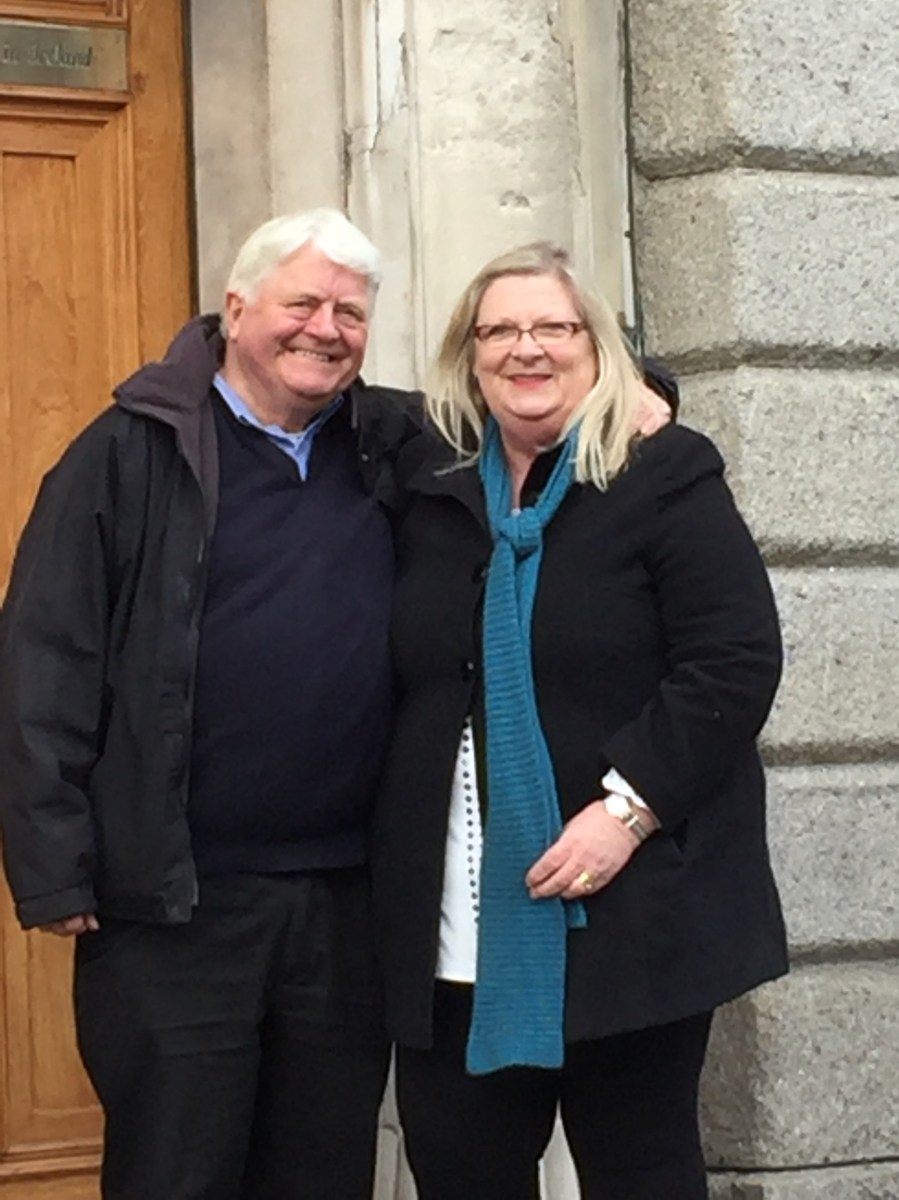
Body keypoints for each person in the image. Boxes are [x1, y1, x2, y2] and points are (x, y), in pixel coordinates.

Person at [0, 208, 421, 1200]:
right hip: (175, 907)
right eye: (303, 303)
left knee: (320, 1174)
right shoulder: (127, 454)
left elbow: (533, 406)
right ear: (236, 309)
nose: (325, 328)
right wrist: (55, 864)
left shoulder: (392, 444)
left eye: (350, 313)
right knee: (175, 1174)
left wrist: (648, 399)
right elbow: (45, 654)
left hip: (345, 903)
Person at [371, 241, 789, 1200]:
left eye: (553, 328)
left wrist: (625, 809)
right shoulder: (426, 481)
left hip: (628, 914)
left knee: (638, 1171)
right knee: (460, 1172)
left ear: (598, 347)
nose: (526, 350)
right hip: (453, 929)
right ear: (466, 354)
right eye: (500, 330)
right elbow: (306, 385)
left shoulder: (661, 474)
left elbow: (732, 660)